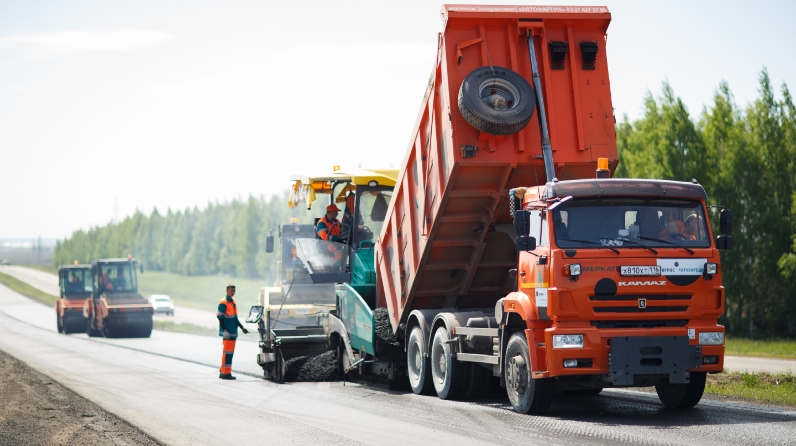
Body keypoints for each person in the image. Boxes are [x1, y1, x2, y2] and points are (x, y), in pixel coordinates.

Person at [217, 283, 248, 380]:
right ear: (226, 290)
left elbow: (235, 319)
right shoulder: (224, 302)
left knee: (228, 353)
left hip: (233, 332)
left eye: (234, 290)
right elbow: (220, 317)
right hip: (228, 333)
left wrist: (242, 327)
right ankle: (225, 373)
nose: (233, 292)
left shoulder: (232, 302)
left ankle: (223, 371)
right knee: (227, 354)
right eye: (231, 290)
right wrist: (225, 331)